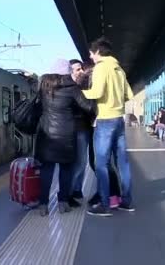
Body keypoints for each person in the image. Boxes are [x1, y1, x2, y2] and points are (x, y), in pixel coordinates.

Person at [82, 38, 135, 216]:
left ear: (97, 52)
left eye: (91, 53)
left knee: (101, 164)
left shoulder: (101, 67)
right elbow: (129, 94)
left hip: (105, 121)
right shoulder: (119, 69)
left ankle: (105, 204)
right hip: (119, 120)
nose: (90, 56)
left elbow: (96, 93)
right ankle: (126, 202)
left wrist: (78, 92)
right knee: (123, 163)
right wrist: (116, 102)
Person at [36, 59, 95, 216]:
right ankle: (63, 202)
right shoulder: (72, 88)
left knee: (46, 171)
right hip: (66, 136)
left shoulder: (43, 86)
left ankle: (43, 204)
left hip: (46, 135)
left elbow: (37, 106)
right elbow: (88, 107)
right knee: (66, 169)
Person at [80, 62, 122, 208]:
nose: (80, 72)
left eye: (81, 69)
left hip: (99, 125)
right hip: (107, 123)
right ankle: (112, 194)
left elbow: (91, 104)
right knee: (102, 162)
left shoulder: (93, 80)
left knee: (98, 162)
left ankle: (109, 195)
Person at [68, 59, 93, 207]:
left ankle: (77, 189)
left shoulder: (83, 84)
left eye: (81, 68)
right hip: (78, 128)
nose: (81, 71)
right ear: (70, 72)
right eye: (77, 69)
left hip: (86, 126)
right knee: (79, 162)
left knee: (82, 162)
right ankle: (70, 192)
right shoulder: (71, 88)